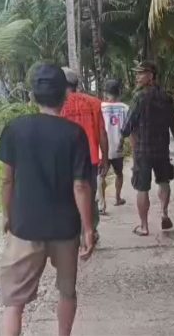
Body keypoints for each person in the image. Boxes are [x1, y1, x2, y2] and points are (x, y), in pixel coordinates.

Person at [0, 63, 95, 336]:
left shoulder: (15, 129)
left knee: (15, 303)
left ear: (32, 96)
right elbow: (81, 186)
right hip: (65, 228)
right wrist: (88, 228)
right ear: (64, 95)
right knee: (67, 292)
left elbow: (7, 180)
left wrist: (7, 214)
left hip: (25, 226)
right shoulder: (74, 134)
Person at [120, 60, 174, 236]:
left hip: (143, 151)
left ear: (150, 76)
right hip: (162, 150)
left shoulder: (139, 97)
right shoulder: (166, 97)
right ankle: (164, 213)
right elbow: (173, 122)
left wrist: (122, 135)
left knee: (142, 188)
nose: (137, 76)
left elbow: (127, 126)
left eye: (140, 73)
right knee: (164, 182)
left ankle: (144, 226)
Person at [60, 67, 107, 237]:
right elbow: (102, 133)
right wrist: (105, 158)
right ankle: (91, 231)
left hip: (64, 160)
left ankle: (72, 233)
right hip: (90, 158)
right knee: (89, 194)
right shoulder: (94, 103)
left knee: (66, 197)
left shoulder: (56, 105)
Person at [99, 78, 130, 212]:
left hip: (102, 148)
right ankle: (117, 198)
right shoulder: (125, 108)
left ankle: (102, 204)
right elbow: (129, 128)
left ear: (105, 92)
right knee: (119, 174)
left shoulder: (99, 107)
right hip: (118, 147)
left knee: (101, 175)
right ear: (119, 92)